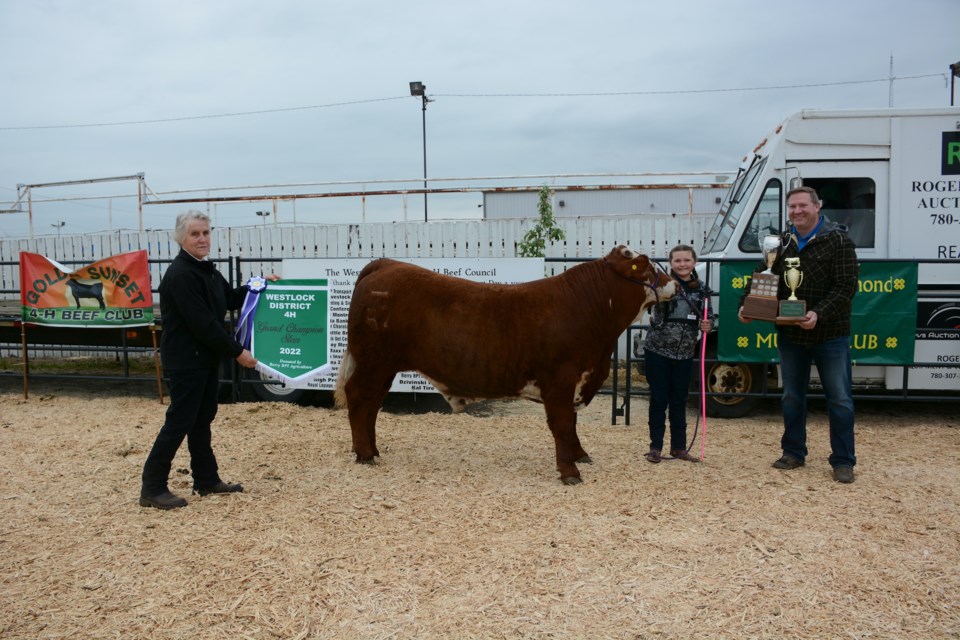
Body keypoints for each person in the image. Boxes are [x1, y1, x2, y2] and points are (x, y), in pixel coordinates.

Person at [140, 210, 278, 510]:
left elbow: (228, 299)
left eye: (205, 233)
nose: (202, 239)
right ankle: (152, 487)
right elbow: (204, 324)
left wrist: (258, 285)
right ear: (180, 238)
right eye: (194, 234)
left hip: (204, 359)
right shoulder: (181, 275)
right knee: (179, 422)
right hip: (186, 360)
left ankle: (206, 479)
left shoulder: (207, 271)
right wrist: (238, 352)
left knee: (202, 420)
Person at [739, 186, 859, 483]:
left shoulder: (839, 240)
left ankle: (843, 460)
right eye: (792, 207)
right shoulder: (779, 242)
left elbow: (846, 287)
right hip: (791, 335)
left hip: (830, 334)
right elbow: (761, 275)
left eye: (803, 205)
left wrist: (818, 313)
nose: (797, 211)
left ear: (817, 207)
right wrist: (748, 305)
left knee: (840, 399)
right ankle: (793, 452)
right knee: (792, 397)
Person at [638, 244, 714, 463]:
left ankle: (679, 447)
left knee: (679, 401)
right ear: (671, 263)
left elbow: (710, 315)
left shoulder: (702, 289)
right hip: (658, 350)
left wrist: (709, 324)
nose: (682, 264)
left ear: (694, 262)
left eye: (686, 260)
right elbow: (647, 302)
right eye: (678, 261)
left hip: (685, 354)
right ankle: (655, 447)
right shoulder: (661, 285)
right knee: (659, 400)